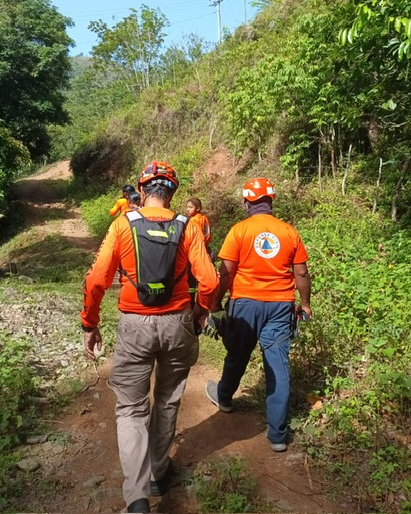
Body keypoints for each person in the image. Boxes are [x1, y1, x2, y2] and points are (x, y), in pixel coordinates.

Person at [81, 161, 219, 513]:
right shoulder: (187, 227)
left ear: (142, 191)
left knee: (130, 409)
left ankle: (138, 496)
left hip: (134, 325)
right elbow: (211, 281)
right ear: (171, 193)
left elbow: (97, 280)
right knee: (168, 399)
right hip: (177, 322)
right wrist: (201, 309)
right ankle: (159, 471)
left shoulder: (122, 225)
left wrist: (90, 323)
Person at [205, 177, 311, 453]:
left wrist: (215, 301)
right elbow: (301, 273)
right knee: (277, 365)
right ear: (271, 201)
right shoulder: (289, 232)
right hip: (280, 305)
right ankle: (277, 435)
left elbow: (226, 272)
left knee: (238, 353)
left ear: (246, 202)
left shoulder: (240, 230)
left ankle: (224, 397)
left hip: (245, 303)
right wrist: (306, 305)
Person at [185, 197, 214, 306]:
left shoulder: (194, 221)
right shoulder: (204, 218)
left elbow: (195, 238)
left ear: (198, 208)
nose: (188, 209)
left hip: (197, 251)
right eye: (187, 207)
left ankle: (192, 304)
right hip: (207, 250)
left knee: (192, 282)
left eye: (190, 207)